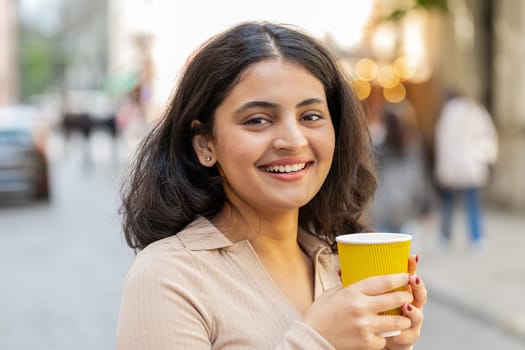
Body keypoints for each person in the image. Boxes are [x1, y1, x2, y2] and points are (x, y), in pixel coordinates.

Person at [117, 21, 426, 350]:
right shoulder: (168, 276)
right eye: (258, 120)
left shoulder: (338, 264)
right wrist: (318, 341)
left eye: (310, 116)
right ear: (205, 143)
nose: (293, 141)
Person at [434, 89, 498, 252]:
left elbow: (444, 144)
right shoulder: (476, 111)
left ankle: (444, 237)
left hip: (453, 168)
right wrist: (485, 159)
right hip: (472, 166)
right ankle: (477, 238)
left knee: (448, 204)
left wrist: (442, 170)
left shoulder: (448, 114)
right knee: (472, 203)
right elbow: (488, 137)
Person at [371, 101, 431, 236]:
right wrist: (424, 209)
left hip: (385, 209)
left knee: (385, 253)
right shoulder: (412, 148)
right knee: (405, 255)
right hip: (405, 211)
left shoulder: (378, 149)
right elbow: (420, 181)